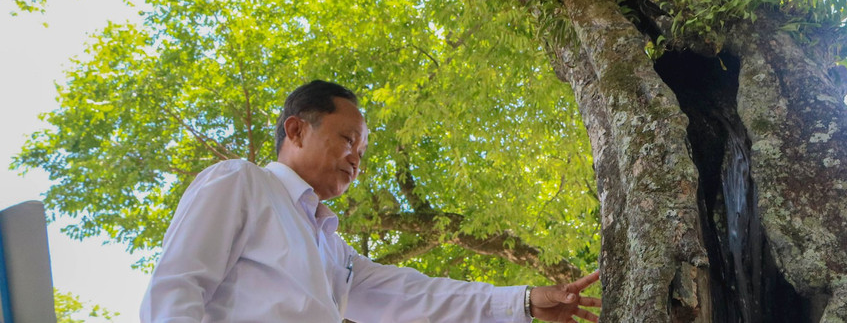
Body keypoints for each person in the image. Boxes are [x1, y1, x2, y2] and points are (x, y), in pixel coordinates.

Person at [140, 80, 601, 323]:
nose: (355, 160)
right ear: (297, 130)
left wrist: (523, 301)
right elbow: (177, 289)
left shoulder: (332, 248)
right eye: (347, 141)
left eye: (361, 153)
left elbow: (415, 296)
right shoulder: (240, 182)